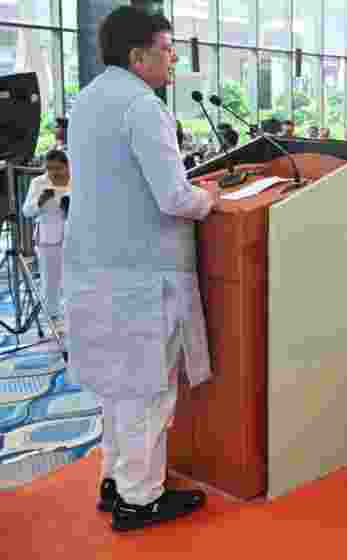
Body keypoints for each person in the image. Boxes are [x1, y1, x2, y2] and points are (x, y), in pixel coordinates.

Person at [64, 6, 218, 531]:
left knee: (116, 386)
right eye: (167, 47)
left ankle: (116, 478)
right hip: (140, 274)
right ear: (138, 56)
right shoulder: (142, 106)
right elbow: (174, 197)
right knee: (148, 391)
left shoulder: (86, 100)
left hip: (93, 269)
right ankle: (140, 498)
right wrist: (209, 198)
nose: (173, 56)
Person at [23, 149, 72, 322]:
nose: (54, 172)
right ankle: (52, 318)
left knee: (72, 278)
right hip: (48, 238)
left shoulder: (77, 180)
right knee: (50, 280)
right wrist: (39, 202)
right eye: (50, 168)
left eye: (58, 168)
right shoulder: (38, 182)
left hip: (73, 236)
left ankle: (73, 316)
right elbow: (26, 212)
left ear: (67, 166)